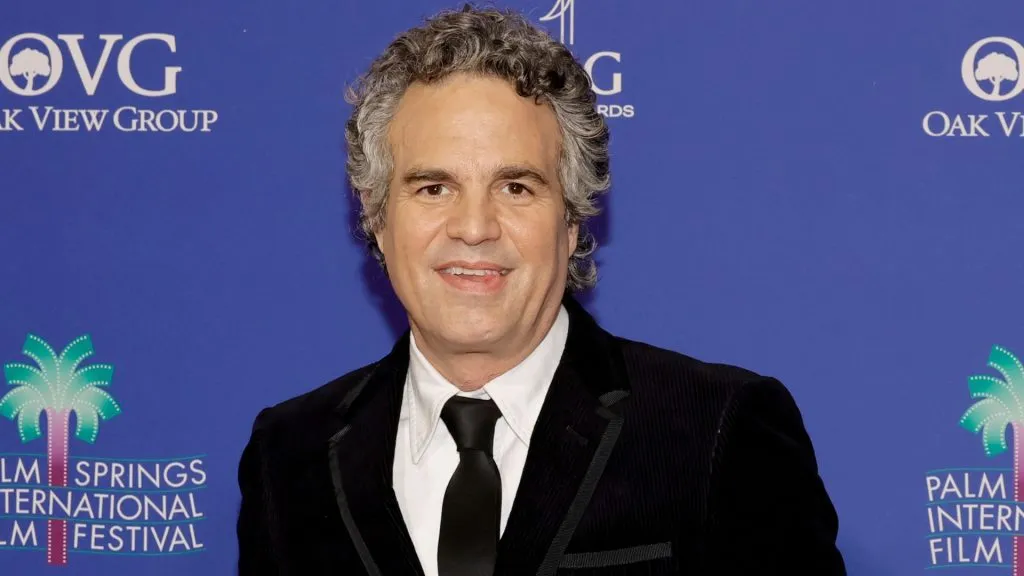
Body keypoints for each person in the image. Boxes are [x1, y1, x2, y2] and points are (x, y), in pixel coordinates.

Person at [236, 5, 846, 575]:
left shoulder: (717, 429)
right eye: (433, 188)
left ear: (573, 217)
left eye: (516, 187)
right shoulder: (290, 453)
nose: (474, 228)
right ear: (375, 214)